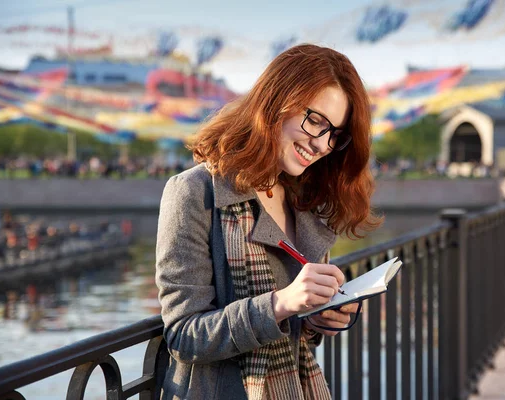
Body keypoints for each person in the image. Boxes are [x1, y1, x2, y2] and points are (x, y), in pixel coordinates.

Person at [155, 43, 382, 400]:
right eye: (316, 121)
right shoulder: (194, 192)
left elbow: (292, 325)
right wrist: (281, 303)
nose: (322, 144)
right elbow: (184, 335)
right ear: (276, 102)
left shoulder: (302, 198)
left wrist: (316, 317)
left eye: (335, 134)